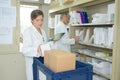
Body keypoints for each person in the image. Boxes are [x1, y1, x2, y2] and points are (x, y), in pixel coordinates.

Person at [22, 10, 51, 80]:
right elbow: (25, 50)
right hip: (32, 63)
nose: (40, 22)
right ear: (32, 20)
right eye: (37, 20)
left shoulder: (43, 31)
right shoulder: (28, 31)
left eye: (41, 20)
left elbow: (44, 45)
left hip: (42, 62)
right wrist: (37, 48)